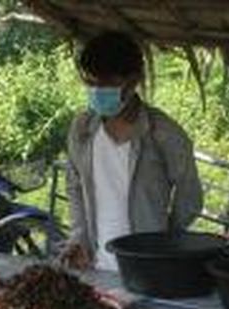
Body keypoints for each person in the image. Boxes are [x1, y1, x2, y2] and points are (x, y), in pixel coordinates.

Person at [62, 31, 203, 270]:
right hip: (96, 265)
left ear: (134, 79)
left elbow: (190, 195)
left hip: (147, 268)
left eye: (110, 84)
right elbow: (74, 184)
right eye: (92, 83)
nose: (99, 91)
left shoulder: (164, 133)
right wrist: (79, 237)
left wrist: (164, 239)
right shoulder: (83, 129)